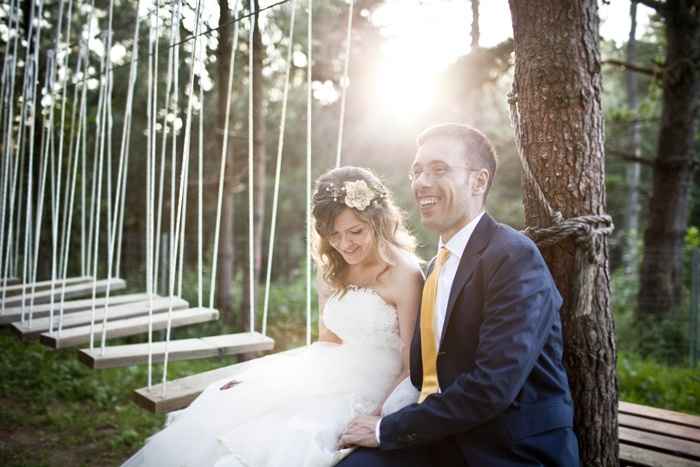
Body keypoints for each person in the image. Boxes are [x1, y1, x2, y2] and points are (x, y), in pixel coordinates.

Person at [121, 166, 424, 467]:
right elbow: (328, 343)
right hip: (327, 372)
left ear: (379, 220)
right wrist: (268, 377)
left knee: (287, 444)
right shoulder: (333, 267)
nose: (345, 244)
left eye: (355, 232)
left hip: (375, 388)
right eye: (334, 235)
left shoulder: (405, 274)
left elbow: (411, 365)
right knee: (231, 415)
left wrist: (378, 419)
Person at [337, 123, 580, 466]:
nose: (421, 182)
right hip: (441, 438)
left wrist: (385, 430)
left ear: (479, 181)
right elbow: (427, 375)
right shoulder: (437, 264)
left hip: (507, 448)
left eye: (439, 169)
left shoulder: (514, 257)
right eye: (417, 171)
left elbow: (492, 386)